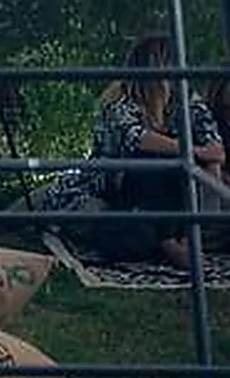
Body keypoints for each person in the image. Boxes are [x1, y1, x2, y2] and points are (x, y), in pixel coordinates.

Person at [40, 33, 224, 266]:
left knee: (187, 170)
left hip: (169, 190)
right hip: (114, 187)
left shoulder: (186, 98)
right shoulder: (120, 101)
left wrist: (211, 172)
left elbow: (213, 144)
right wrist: (195, 152)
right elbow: (136, 138)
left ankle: (186, 241)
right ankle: (167, 242)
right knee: (153, 163)